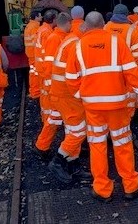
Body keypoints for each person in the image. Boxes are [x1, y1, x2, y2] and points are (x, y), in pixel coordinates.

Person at [65, 11, 138, 202]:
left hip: (93, 107)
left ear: (86, 26)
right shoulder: (117, 41)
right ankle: (131, 186)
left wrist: (82, 95)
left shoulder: (77, 46)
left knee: (97, 145)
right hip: (118, 105)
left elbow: (70, 79)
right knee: (122, 144)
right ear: (103, 24)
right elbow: (131, 70)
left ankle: (102, 189)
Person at [47, 14, 92, 183]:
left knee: (73, 130)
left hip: (62, 94)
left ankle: (74, 166)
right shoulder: (76, 44)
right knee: (80, 131)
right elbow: (78, 72)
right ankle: (58, 161)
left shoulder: (70, 39)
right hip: (67, 95)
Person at [35, 12, 71, 156]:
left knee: (55, 118)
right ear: (67, 23)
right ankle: (44, 147)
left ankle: (42, 146)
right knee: (57, 118)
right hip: (56, 89)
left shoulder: (58, 37)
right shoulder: (54, 39)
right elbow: (49, 66)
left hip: (57, 88)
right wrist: (53, 88)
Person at [34, 10, 58, 158]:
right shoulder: (49, 34)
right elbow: (51, 58)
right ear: (54, 20)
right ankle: (43, 144)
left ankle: (45, 132)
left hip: (42, 73)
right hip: (48, 76)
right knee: (52, 111)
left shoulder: (41, 30)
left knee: (48, 108)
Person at [24, 10, 43, 99]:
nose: (41, 17)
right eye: (40, 16)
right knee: (35, 73)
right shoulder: (35, 27)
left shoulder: (29, 26)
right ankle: (35, 92)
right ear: (36, 17)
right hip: (34, 53)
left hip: (30, 53)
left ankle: (33, 91)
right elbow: (37, 42)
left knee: (32, 73)